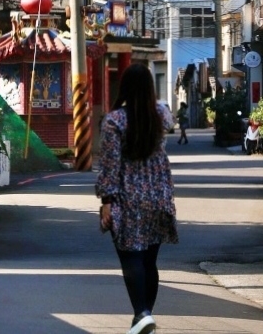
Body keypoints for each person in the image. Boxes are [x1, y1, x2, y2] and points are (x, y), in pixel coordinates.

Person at [97, 63, 179, 334]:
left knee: (130, 257)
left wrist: (106, 201)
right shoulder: (161, 115)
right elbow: (169, 121)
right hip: (159, 196)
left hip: (127, 199)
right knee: (148, 261)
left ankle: (142, 313)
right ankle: (145, 318)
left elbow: (110, 165)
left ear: (124, 88)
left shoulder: (114, 121)